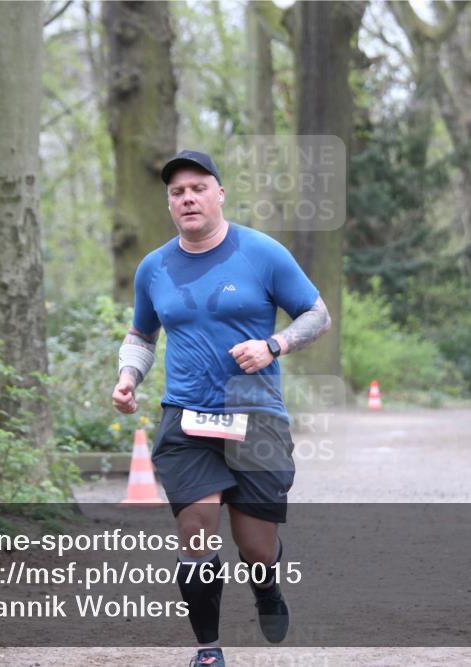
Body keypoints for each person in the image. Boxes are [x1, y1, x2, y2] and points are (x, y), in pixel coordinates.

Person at [111, 149, 331, 667]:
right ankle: (207, 649)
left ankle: (266, 588)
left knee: (255, 546)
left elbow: (317, 315)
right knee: (197, 524)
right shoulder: (154, 267)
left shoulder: (262, 253)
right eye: (176, 192)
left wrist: (273, 346)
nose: (187, 198)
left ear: (219, 193)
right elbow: (142, 333)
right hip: (185, 416)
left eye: (198, 188)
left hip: (256, 415)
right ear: (169, 203)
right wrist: (127, 376)